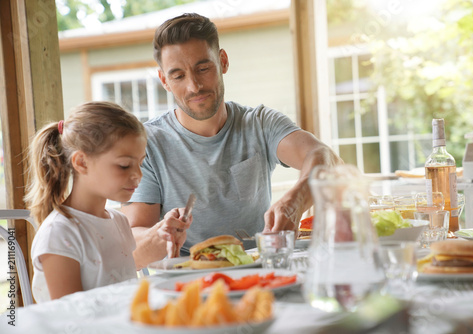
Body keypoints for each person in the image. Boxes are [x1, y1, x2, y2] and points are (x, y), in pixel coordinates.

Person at [122, 13, 342, 263]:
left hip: (260, 271)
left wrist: (296, 199)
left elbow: (326, 159)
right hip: (186, 282)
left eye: (203, 68)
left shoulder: (260, 123)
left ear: (223, 61)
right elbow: (131, 248)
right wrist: (158, 235)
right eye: (178, 76)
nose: (194, 86)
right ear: (164, 81)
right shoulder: (147, 144)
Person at [25, 101, 192, 302]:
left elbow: (126, 290)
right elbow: (71, 319)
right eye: (124, 165)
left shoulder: (118, 221)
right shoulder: (59, 234)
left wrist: (171, 251)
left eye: (140, 163)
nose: (138, 175)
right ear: (81, 162)